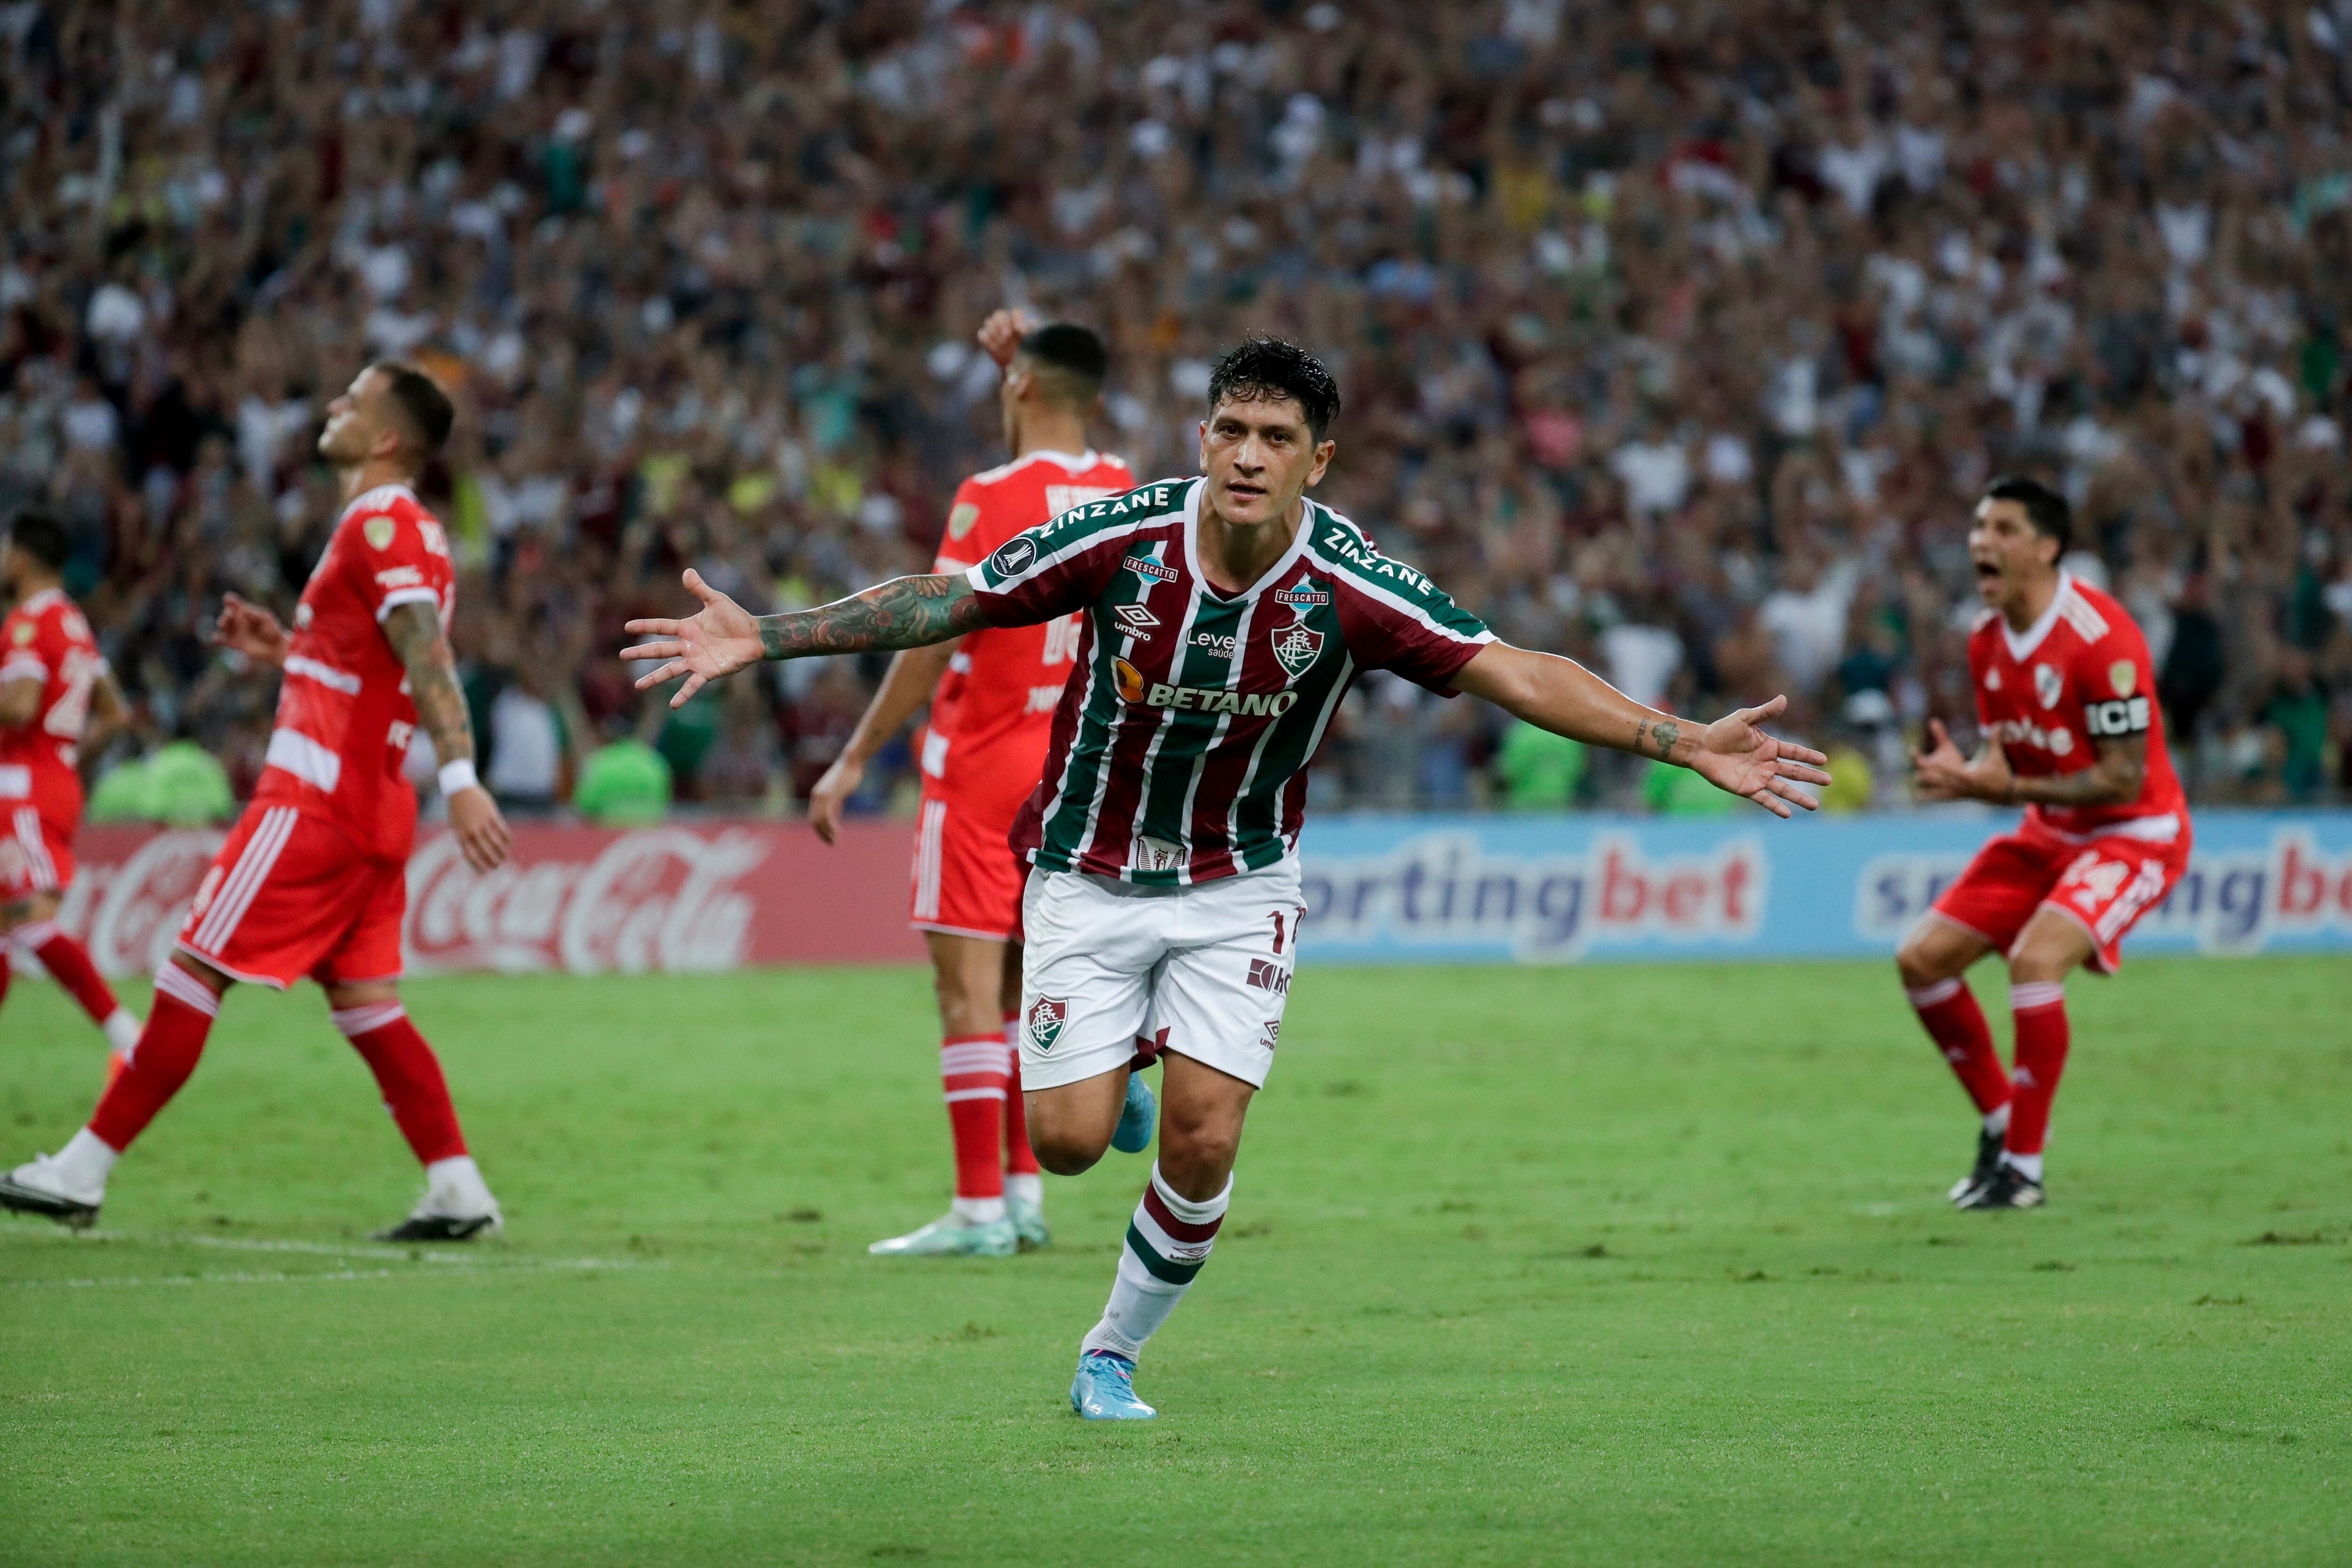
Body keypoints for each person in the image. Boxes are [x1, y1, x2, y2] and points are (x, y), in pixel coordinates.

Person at [625, 338, 1828, 1419]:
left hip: (1237, 885)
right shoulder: (1123, 540)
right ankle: (1125, 1065)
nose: (1247, 457)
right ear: (1202, 438)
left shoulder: (1348, 584)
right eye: (1230, 432)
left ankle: (1110, 1354)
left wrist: (1681, 738)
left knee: (1204, 1140)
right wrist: (767, 635)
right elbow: (956, 598)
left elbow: (1513, 671)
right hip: (1086, 874)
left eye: (1276, 440)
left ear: (1319, 462)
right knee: (1066, 1145)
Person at [0, 363, 515, 1240]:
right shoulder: (406, 529)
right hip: (372, 805)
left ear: (387, 438)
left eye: (350, 401)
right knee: (368, 1005)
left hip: (313, 801)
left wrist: (463, 779)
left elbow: (426, 653)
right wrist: (295, 652)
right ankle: (458, 1186)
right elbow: (378, 666)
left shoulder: (382, 519)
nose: (331, 406)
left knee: (193, 967)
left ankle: (82, 1169)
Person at [808, 310, 1136, 1259]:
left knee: (966, 991)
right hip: (1072, 769)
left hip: (984, 762)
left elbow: (934, 630)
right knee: (1027, 987)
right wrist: (1027, 367)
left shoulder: (986, 494)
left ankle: (977, 1209)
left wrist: (856, 754)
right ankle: (1025, 1196)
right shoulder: (1123, 486)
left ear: (1019, 388)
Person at [1898, 476, 2192, 1211]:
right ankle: (2003, 1125)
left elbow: (2123, 781)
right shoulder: (1985, 640)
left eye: (2002, 528)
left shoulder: (2102, 639)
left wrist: (2004, 791)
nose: (1980, 542)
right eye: (1977, 527)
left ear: (2047, 546)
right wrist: (1976, 776)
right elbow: (2012, 756)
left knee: (2034, 958)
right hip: (2047, 831)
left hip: (2135, 835)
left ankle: (2023, 1171)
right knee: (1921, 961)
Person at [0, 511, 142, 1071]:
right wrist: (67, 757)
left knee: (29, 919)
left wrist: (48, 758)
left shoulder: (29, 624)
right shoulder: (75, 625)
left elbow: (20, 705)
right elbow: (115, 713)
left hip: (24, 788)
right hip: (51, 780)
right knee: (7, 926)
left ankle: (127, 1034)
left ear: (24, 559)